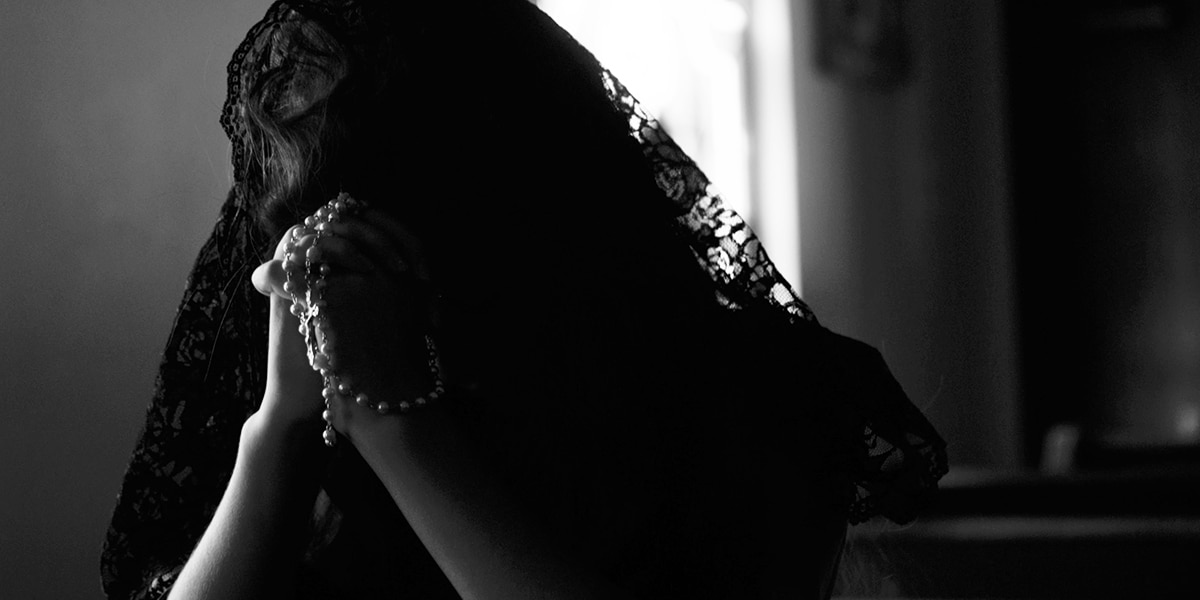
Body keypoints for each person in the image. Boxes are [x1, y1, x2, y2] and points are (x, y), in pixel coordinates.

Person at [101, 1, 947, 598]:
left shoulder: (759, 392)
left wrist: (400, 429)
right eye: (296, 228)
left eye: (376, 221)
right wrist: (280, 429)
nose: (320, 265)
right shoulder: (306, 410)